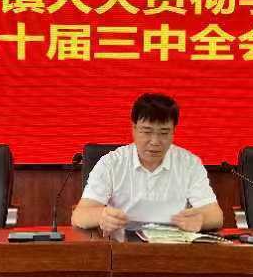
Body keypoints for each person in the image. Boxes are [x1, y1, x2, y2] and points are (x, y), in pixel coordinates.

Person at [71, 93, 223, 235]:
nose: (155, 141)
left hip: (175, 245)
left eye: (164, 133)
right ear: (134, 129)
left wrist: (201, 219)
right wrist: (101, 215)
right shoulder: (111, 163)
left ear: (173, 132)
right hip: (122, 245)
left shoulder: (189, 163)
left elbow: (215, 216)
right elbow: (79, 215)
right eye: (147, 131)